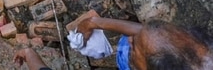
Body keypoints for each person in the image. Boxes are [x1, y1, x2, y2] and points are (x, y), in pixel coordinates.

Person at [76, 17, 213, 70]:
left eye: (135, 49)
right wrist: (93, 22)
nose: (130, 39)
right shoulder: (202, 50)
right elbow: (149, 35)